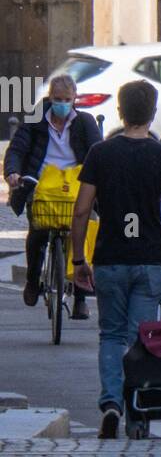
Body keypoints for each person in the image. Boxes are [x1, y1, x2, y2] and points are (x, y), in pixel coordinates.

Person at [70, 80, 161, 440]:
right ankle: (137, 412)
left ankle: (111, 403)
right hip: (150, 259)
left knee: (110, 334)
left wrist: (79, 259)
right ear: (153, 113)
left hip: (109, 257)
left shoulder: (100, 154)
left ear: (121, 112)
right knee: (142, 337)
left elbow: (81, 212)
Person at [4, 73, 100, 319]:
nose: (62, 104)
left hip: (76, 187)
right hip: (42, 185)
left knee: (82, 236)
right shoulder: (36, 118)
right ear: (50, 98)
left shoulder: (85, 122)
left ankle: (80, 298)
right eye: (57, 99)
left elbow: (98, 154)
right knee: (37, 232)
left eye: (67, 99)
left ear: (74, 99)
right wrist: (13, 173)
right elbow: (17, 148)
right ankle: (33, 279)